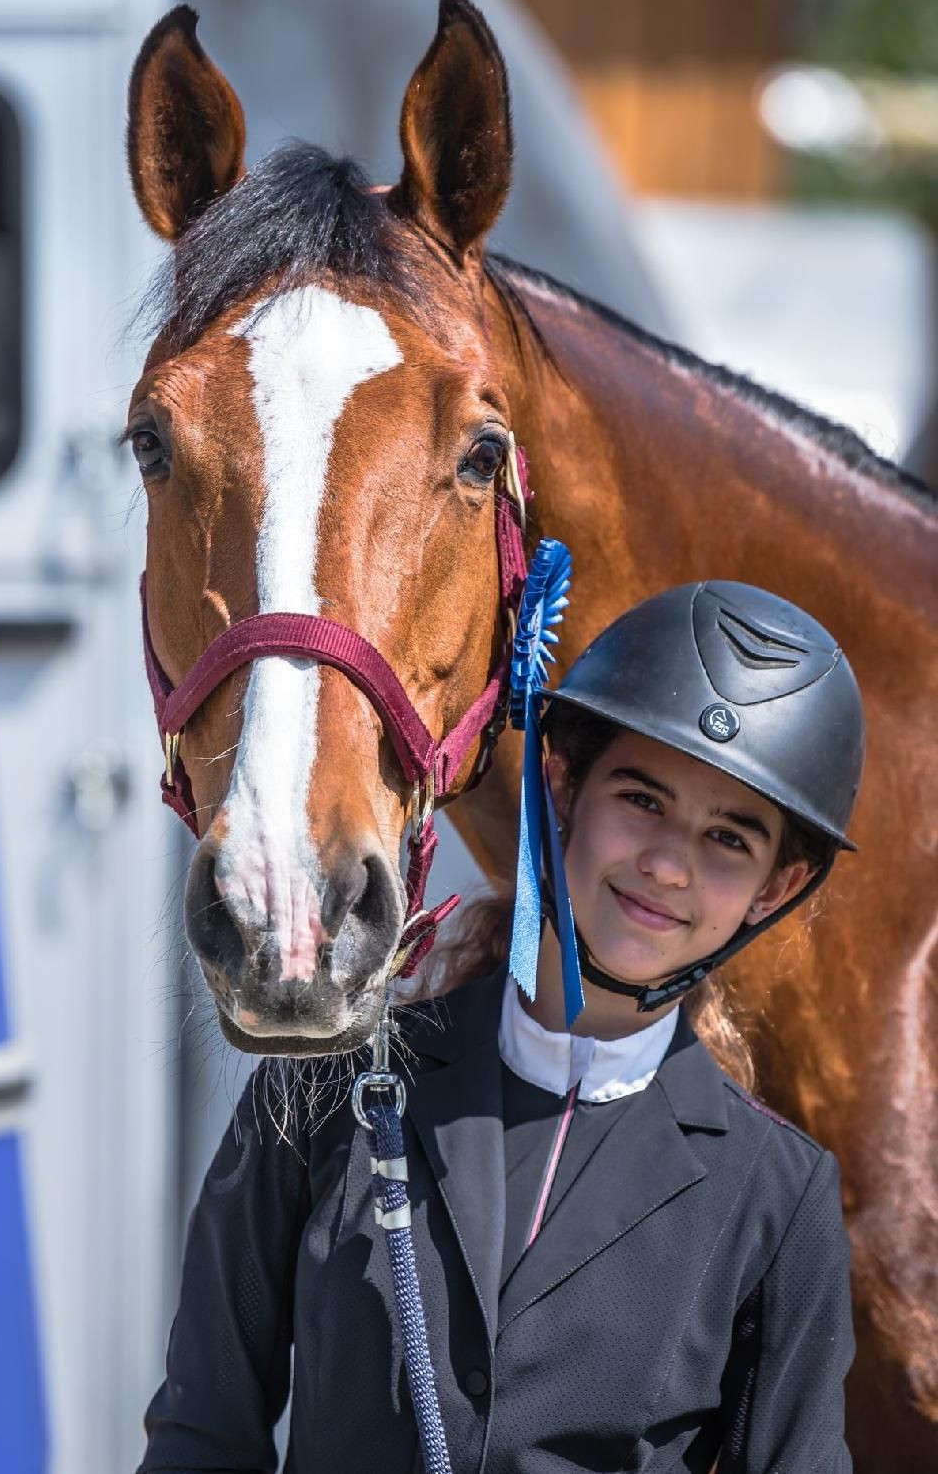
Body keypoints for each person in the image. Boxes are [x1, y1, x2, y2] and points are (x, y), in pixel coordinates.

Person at [138, 579, 864, 1474]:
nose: (670, 865)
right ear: (562, 786)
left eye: (729, 840)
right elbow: (201, 1436)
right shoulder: (323, 1086)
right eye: (642, 799)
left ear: (776, 887)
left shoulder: (779, 1197)